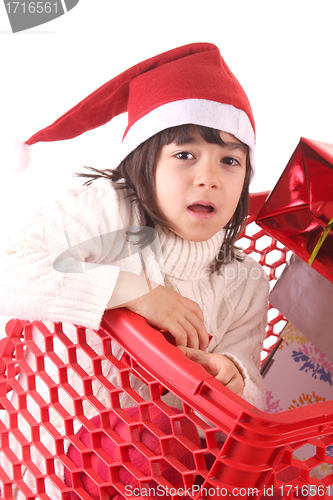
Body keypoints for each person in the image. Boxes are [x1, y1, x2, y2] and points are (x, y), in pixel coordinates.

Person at [0, 43, 269, 498]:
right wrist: (135, 292)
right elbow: (11, 271)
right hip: (38, 448)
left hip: (147, 474)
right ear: (144, 160)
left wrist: (229, 372)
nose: (210, 177)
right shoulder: (110, 215)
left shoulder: (243, 281)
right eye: (185, 155)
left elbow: (254, 388)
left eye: (230, 160)